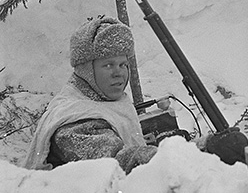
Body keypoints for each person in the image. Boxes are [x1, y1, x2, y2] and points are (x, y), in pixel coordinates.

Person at [23, 16, 158, 173]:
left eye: (123, 64)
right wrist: (167, 160)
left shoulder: (101, 100)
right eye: (108, 65)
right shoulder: (74, 122)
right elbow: (115, 161)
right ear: (86, 70)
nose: (118, 73)